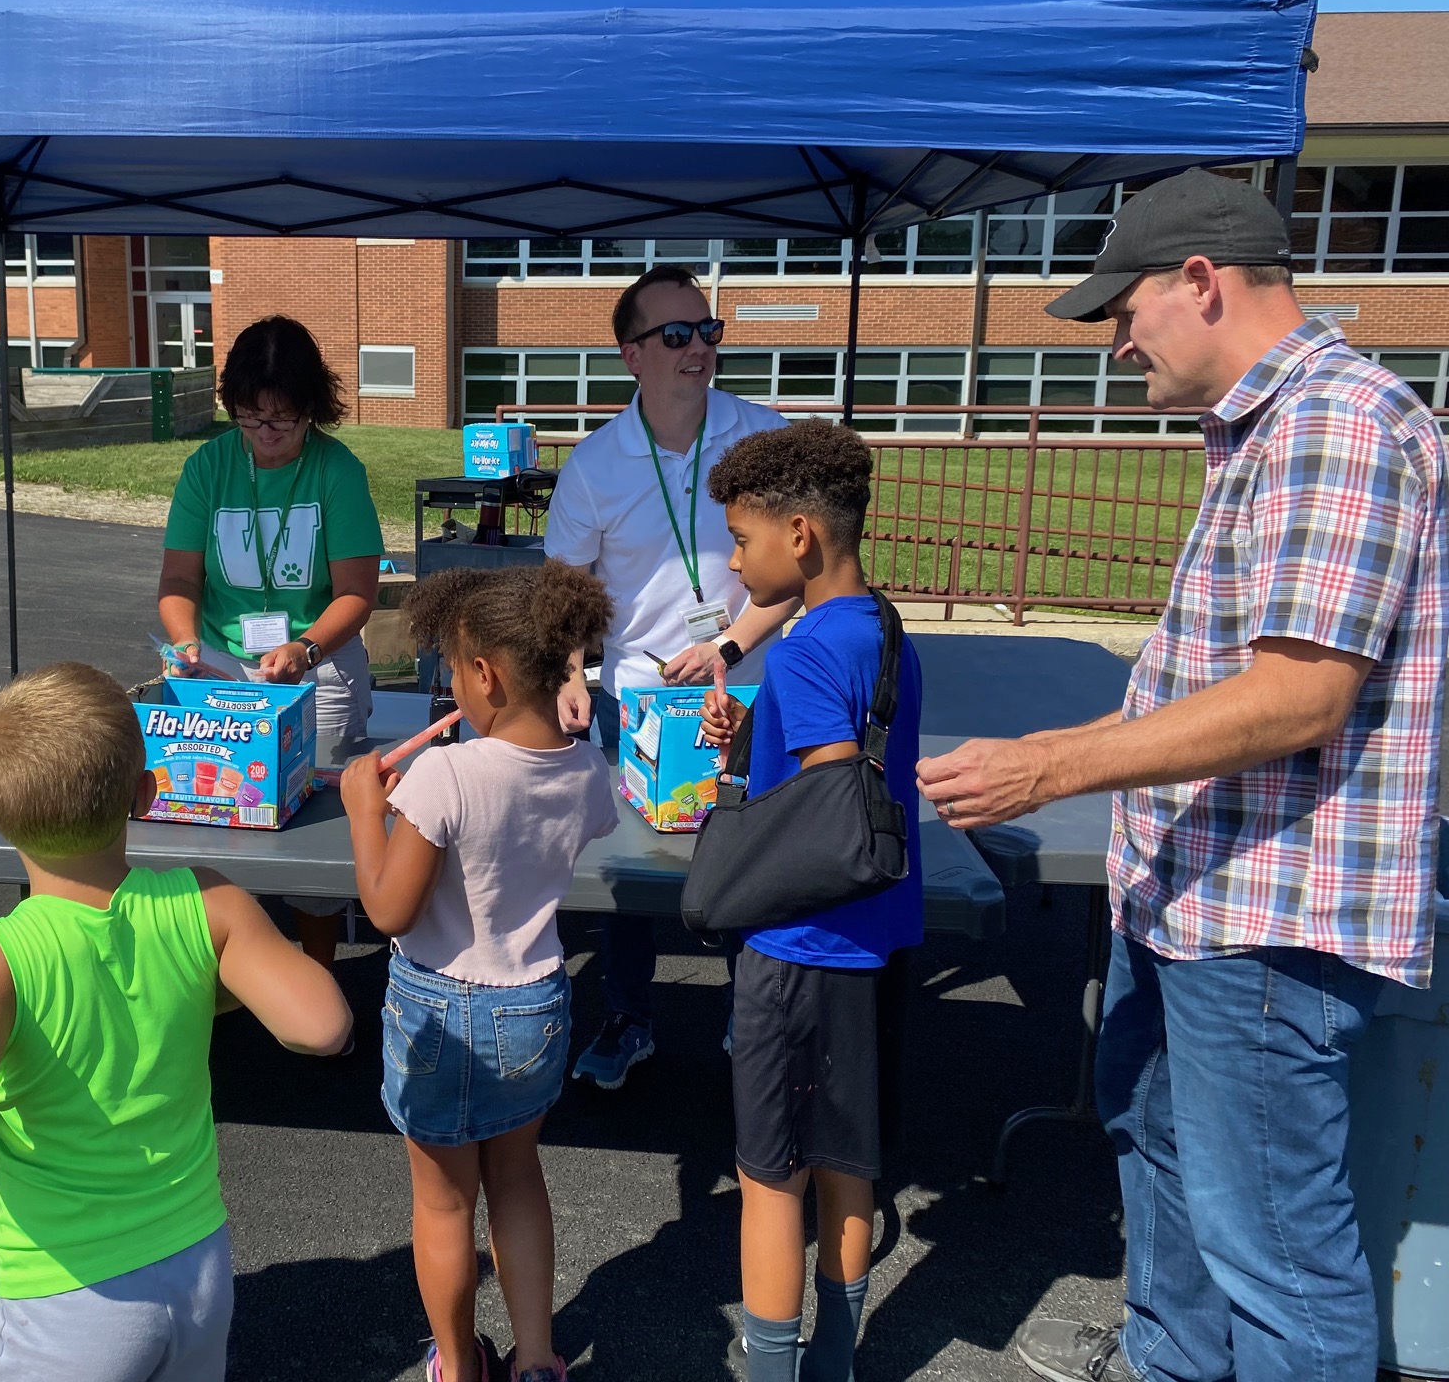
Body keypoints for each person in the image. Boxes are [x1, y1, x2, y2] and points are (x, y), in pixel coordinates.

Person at [914, 169, 1448, 1382]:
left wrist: (1049, 763)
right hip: (1196, 903)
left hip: (1266, 923)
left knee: (1274, 1255)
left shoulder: (1335, 423)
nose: (1114, 347)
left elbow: (1298, 694)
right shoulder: (1268, 427)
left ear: (1200, 281)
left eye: (1122, 311)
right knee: (1162, 1164)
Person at [0, 662, 351, 1382]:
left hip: (69, 1294)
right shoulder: (209, 903)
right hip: (195, 1265)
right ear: (148, 793)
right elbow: (321, 1025)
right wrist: (201, 986)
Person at [341, 563, 620, 1382]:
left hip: (440, 1004)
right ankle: (537, 1360)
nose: (448, 683)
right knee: (518, 1177)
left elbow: (390, 910)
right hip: (534, 1000)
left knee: (444, 1203)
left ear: (487, 675)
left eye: (453, 669)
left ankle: (457, 1367)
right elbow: (576, 822)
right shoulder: (585, 770)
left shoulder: (446, 773)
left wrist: (368, 812)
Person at [697, 423, 924, 1382]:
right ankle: (833, 1360)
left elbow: (826, 801)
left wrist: (750, 773)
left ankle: (774, 1367)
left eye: (742, 541)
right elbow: (855, 764)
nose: (736, 562)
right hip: (877, 938)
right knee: (848, 1158)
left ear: (800, 535)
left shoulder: (799, 649)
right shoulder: (882, 627)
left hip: (797, 949)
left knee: (768, 1175)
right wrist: (757, 734)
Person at [542, 262, 797, 1088]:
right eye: (677, 334)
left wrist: (725, 648)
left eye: (709, 331)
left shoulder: (764, 436)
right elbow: (564, 593)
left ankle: (748, 1021)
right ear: (631, 355)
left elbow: (799, 575)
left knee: (752, 860)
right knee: (633, 870)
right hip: (633, 701)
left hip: (748, 692)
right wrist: (571, 670)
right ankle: (627, 1017)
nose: (700, 348)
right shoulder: (593, 465)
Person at [158, 314, 384, 968]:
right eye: (250, 419)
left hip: (319, 665)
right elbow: (178, 577)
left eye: (281, 421)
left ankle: (317, 970)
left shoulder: (337, 472)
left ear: (312, 409)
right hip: (222, 661)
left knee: (312, 827)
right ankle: (227, 970)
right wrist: (185, 643)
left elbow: (356, 594)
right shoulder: (208, 467)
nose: (265, 436)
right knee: (216, 804)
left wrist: (306, 648)